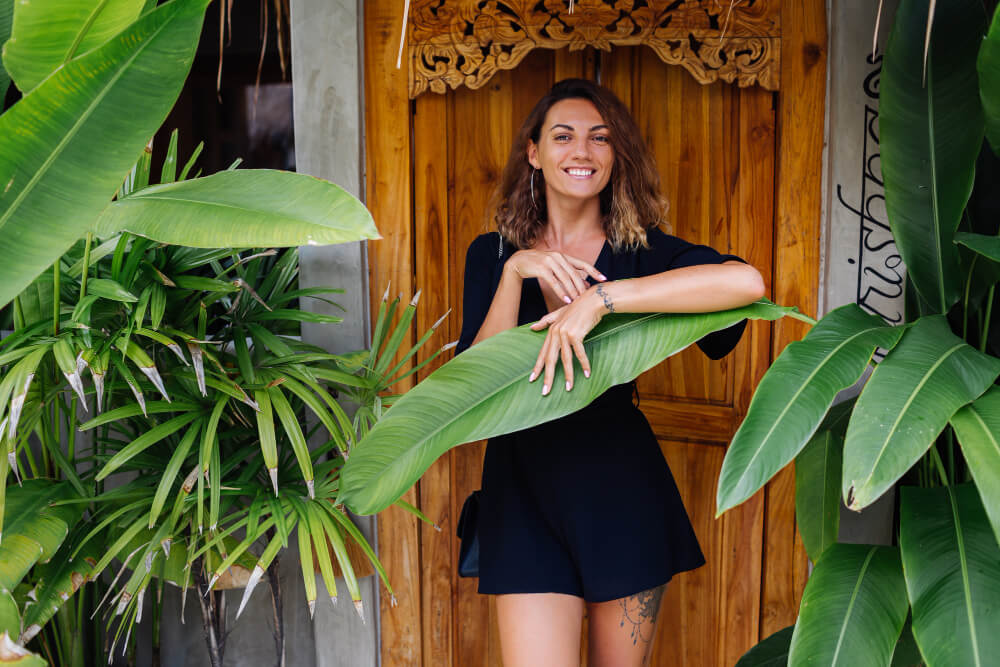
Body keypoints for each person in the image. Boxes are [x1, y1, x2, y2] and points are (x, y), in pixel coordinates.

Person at [455, 78, 765, 667]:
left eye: (601, 138)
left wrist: (602, 300)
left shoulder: (642, 252)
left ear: (616, 155)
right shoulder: (492, 255)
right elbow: (472, 384)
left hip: (620, 491)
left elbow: (746, 282)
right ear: (534, 152)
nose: (582, 151)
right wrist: (517, 271)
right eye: (564, 135)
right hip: (521, 495)